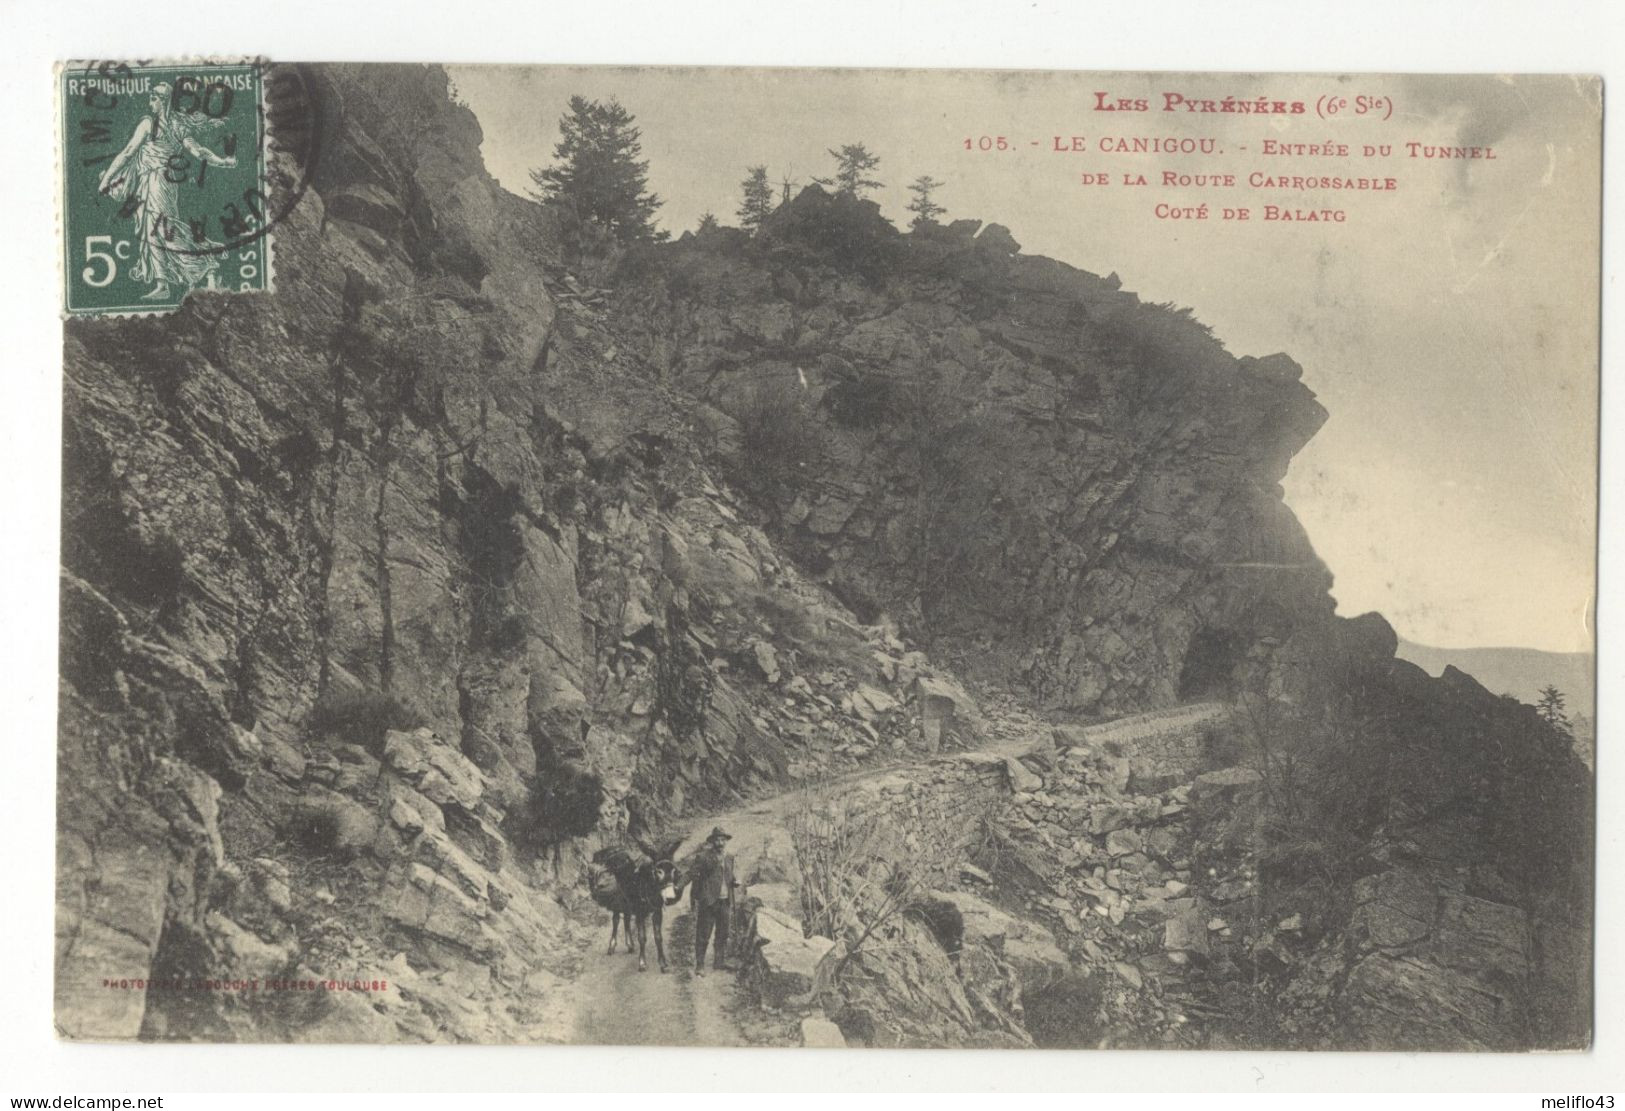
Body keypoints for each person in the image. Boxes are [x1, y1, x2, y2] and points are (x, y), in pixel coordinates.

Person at [96, 83, 239, 300]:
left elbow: (127, 153)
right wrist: (224, 162)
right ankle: (163, 283)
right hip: (161, 183)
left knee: (162, 229)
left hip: (156, 181)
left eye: (152, 98)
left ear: (162, 101)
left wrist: (106, 180)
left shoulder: (148, 124)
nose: (149, 103)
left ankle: (206, 263)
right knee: (152, 230)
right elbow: (199, 152)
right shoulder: (178, 126)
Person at [689, 826, 736, 975]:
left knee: (723, 933)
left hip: (725, 901)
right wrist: (676, 888)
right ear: (713, 841)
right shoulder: (703, 857)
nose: (720, 843)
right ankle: (700, 965)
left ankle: (719, 962)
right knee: (703, 934)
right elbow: (691, 873)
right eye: (717, 840)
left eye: (723, 840)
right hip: (709, 901)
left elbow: (729, 876)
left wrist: (734, 881)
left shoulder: (730, 857)